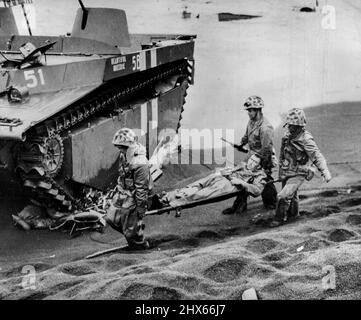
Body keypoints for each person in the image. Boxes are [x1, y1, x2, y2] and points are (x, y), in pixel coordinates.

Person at [269, 108, 332, 227]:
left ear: (299, 126)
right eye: (288, 125)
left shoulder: (306, 139)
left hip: (299, 172)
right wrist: (281, 172)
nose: (289, 128)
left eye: (292, 126)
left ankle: (278, 219)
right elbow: (283, 153)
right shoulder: (287, 135)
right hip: (287, 171)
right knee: (291, 195)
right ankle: (294, 216)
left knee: (282, 196)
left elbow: (317, 156)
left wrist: (325, 171)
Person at [223, 95, 277, 215]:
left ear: (258, 110)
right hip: (252, 154)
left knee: (265, 179)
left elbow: (267, 149)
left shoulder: (265, 128)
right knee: (243, 177)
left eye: (251, 110)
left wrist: (265, 166)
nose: (248, 113)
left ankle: (272, 203)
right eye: (248, 110)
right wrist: (241, 143)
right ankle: (239, 206)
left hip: (263, 156)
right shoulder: (251, 122)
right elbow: (247, 136)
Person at [160, 154, 267, 209]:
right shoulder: (243, 165)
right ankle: (167, 197)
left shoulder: (260, 175)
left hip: (229, 186)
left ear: (259, 166)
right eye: (251, 159)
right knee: (195, 186)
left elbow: (257, 191)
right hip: (222, 177)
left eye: (255, 162)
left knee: (200, 195)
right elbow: (232, 169)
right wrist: (225, 171)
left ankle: (172, 204)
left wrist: (242, 183)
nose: (251, 162)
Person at [105, 128, 153, 249]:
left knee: (128, 219)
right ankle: (133, 232)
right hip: (124, 191)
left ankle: (140, 246)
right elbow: (123, 175)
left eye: (123, 147)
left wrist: (141, 212)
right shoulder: (124, 155)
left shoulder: (140, 163)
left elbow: (142, 189)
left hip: (136, 196)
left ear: (130, 146)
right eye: (119, 146)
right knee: (111, 218)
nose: (120, 149)